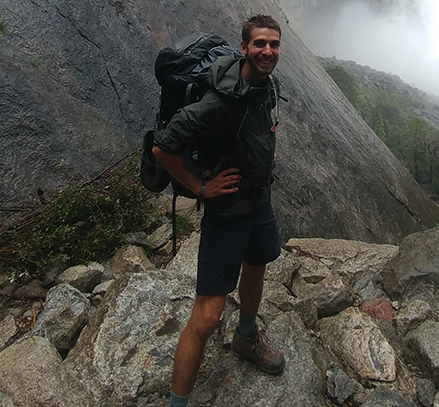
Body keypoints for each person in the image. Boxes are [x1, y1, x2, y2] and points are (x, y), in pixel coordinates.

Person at [151, 14, 284, 407]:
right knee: (207, 318)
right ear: (243, 47)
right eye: (259, 44)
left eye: (274, 45)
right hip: (227, 211)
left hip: (259, 200)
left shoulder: (266, 85)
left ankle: (245, 336)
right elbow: (162, 147)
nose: (267, 51)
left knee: (258, 264)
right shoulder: (219, 101)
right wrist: (199, 186)